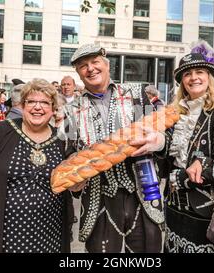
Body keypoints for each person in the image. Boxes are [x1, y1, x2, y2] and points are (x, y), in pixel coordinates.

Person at [61, 43, 166, 253]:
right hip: (98, 200)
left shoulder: (137, 94)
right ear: (78, 74)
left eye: (95, 62)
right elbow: (70, 152)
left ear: (107, 66)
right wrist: (75, 179)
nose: (90, 68)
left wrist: (159, 141)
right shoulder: (71, 110)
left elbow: (160, 133)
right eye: (83, 66)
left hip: (143, 193)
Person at [0, 78, 74, 253]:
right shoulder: (0, 132)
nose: (37, 107)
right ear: (22, 105)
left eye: (44, 103)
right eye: (31, 101)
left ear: (53, 108)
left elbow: (72, 183)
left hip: (51, 234)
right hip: (7, 234)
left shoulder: (62, 140)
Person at [163, 40, 214, 253]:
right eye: (187, 74)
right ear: (182, 81)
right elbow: (168, 157)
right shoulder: (175, 113)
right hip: (174, 205)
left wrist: (180, 178)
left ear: (209, 77)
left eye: (199, 72)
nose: (193, 77)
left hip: (203, 208)